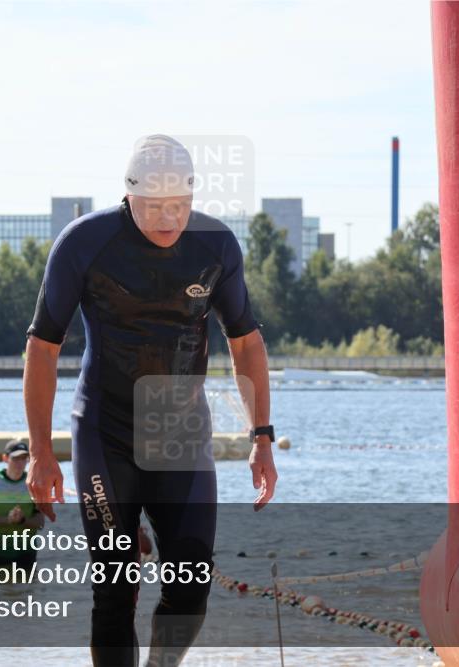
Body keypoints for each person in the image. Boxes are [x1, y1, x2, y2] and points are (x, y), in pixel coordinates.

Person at [23, 134, 277, 666]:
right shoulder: (84, 243)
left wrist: (261, 436)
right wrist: (42, 453)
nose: (169, 219)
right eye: (155, 207)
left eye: (179, 206)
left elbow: (246, 343)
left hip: (181, 437)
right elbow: (42, 348)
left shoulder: (216, 245)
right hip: (105, 431)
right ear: (129, 195)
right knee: (114, 589)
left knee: (191, 587)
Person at [0, 439, 44, 570]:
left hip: (26, 553)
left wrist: (22, 520)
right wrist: (8, 520)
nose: (20, 463)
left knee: (28, 589)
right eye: (15, 459)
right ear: (5, 458)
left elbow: (40, 522)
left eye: (24, 458)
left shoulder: (33, 483)